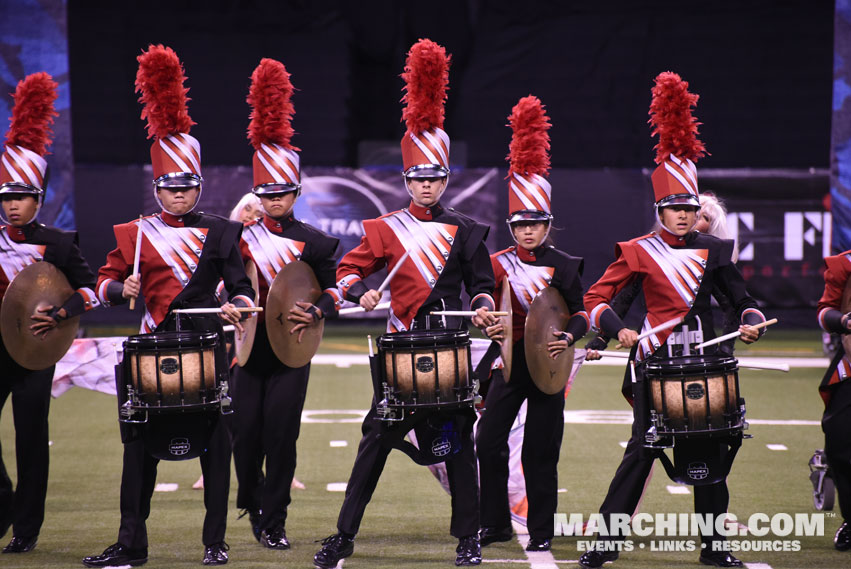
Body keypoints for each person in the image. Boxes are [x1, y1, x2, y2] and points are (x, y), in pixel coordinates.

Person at [313, 39, 495, 568]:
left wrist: (482, 307)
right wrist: (356, 289)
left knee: (459, 443)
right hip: (397, 348)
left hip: (450, 345)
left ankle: (468, 537)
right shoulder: (384, 228)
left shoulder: (466, 230)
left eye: (435, 177)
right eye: (418, 177)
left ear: (445, 179)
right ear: (406, 179)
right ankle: (344, 534)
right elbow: (348, 268)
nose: (426, 185)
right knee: (375, 440)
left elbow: (480, 284)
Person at [579, 72, 765, 569]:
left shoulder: (716, 250)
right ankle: (605, 542)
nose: (681, 216)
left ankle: (714, 546)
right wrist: (618, 327)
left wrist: (749, 322)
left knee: (711, 452)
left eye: (687, 207)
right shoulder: (637, 251)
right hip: (655, 364)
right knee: (642, 449)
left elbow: (742, 301)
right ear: (658, 208)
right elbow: (596, 297)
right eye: (672, 208)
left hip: (706, 359)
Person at [83, 45, 254, 568]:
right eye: (168, 187)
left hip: (205, 347)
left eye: (185, 187)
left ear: (198, 185)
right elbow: (103, 280)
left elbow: (241, 284)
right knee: (138, 450)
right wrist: (120, 291)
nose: (176, 196)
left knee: (216, 448)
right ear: (156, 186)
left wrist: (239, 307)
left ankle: (215, 542)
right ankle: (131, 544)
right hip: (151, 348)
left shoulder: (223, 232)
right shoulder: (134, 233)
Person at [230, 58, 341, 551]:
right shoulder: (237, 238)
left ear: (296, 192)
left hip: (292, 350)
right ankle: (252, 500)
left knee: (281, 437)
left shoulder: (315, 242)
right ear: (259, 192)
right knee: (244, 437)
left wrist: (319, 311)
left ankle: (273, 520)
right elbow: (220, 282)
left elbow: (335, 291)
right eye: (267, 192)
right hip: (247, 350)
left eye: (283, 193)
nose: (274, 200)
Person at [476, 96, 589, 553]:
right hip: (506, 364)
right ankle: (495, 524)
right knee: (488, 442)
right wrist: (484, 317)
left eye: (535, 224)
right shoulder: (497, 262)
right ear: (510, 225)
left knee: (541, 450)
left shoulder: (564, 266)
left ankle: (541, 528)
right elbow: (482, 298)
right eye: (520, 224)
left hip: (548, 364)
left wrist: (570, 335)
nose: (527, 232)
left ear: (547, 225)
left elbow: (582, 312)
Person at [0, 72, 99, 554]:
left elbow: (90, 292)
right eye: (5, 198)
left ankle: (27, 528)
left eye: (19, 198)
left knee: (30, 440)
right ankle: (4, 502)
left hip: (36, 353)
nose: (12, 206)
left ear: (37, 199)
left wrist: (60, 315)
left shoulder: (58, 242)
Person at [815, 252, 851, 552]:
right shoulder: (845, 265)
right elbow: (824, 312)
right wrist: (843, 319)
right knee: (839, 440)